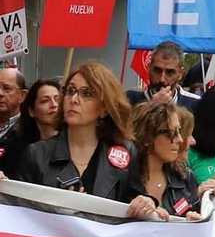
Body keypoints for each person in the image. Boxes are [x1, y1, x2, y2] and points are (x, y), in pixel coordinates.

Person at [19, 61, 141, 202]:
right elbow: (20, 211)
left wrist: (146, 201)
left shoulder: (125, 152)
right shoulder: (36, 154)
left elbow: (135, 204)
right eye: (70, 91)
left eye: (86, 93)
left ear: (104, 108)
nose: (74, 99)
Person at [128, 100, 202, 220]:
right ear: (147, 136)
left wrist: (194, 221)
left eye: (179, 131)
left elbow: (196, 219)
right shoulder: (122, 178)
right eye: (172, 133)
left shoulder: (185, 177)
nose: (179, 139)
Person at [0, 76, 61, 177]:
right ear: (31, 111)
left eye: (58, 100)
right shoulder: (17, 148)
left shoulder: (72, 144)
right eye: (45, 101)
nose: (54, 105)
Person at [127, 41, 199, 108]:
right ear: (149, 68)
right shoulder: (129, 100)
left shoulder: (195, 104)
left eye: (170, 72)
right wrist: (153, 107)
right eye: (157, 71)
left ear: (181, 73)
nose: (162, 79)